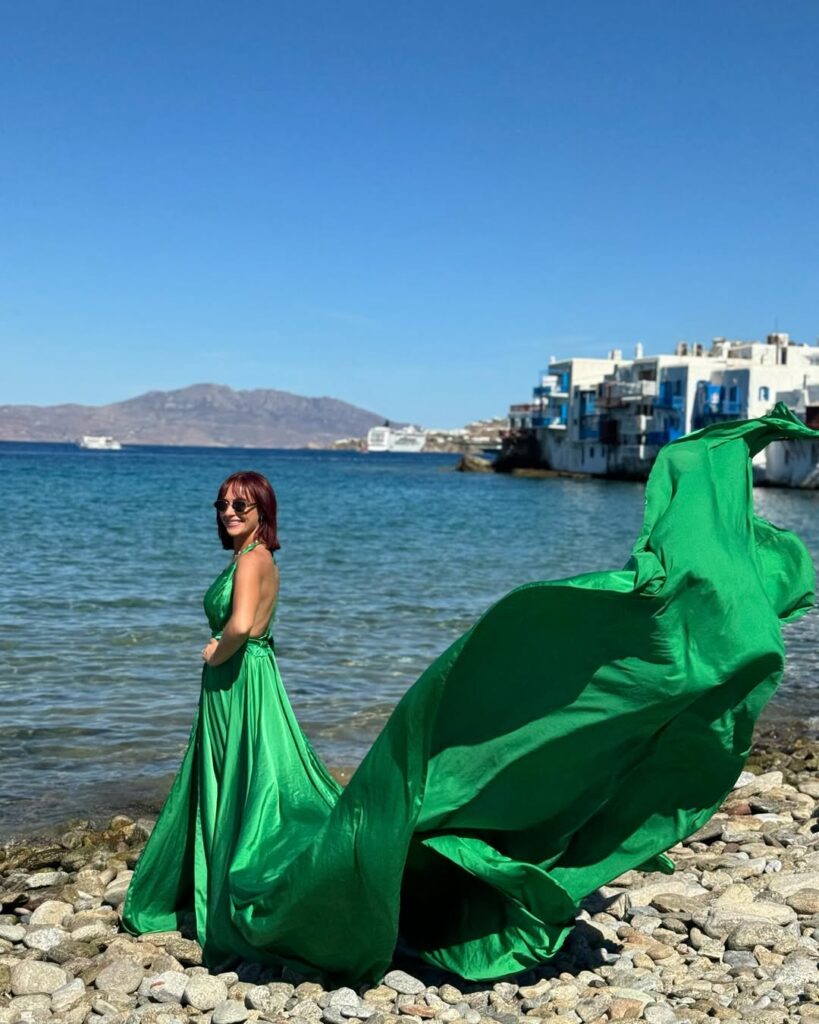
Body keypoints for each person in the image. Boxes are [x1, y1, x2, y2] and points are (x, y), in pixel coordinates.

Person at [121, 404, 817, 986]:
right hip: (253, 685)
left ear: (261, 511)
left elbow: (242, 624)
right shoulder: (265, 558)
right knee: (257, 780)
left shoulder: (252, 562)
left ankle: (233, 886)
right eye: (222, 506)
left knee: (241, 783)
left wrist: (219, 649)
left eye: (239, 506)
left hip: (239, 683)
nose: (228, 514)